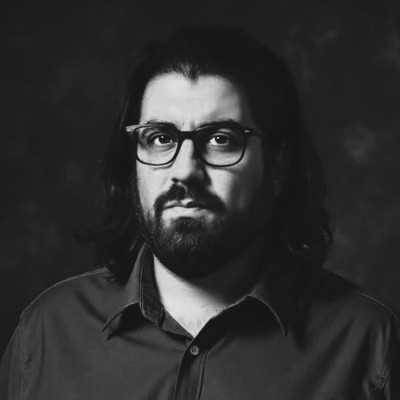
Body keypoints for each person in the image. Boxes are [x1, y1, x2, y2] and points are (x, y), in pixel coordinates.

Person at [1, 24, 399, 400]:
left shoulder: (369, 344)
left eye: (221, 139)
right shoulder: (46, 334)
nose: (185, 171)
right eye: (160, 137)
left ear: (276, 168)